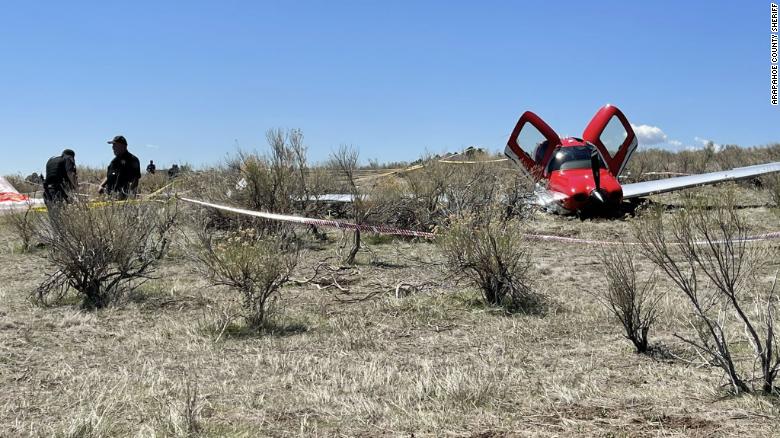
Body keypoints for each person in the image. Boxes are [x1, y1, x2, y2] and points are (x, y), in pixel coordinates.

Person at [99, 135, 141, 200]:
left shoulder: (132, 160)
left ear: (123, 146)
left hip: (124, 199)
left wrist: (128, 194)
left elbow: (135, 180)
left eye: (115, 145)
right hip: (110, 197)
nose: (113, 148)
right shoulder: (114, 161)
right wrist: (101, 185)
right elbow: (109, 176)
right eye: (113, 146)